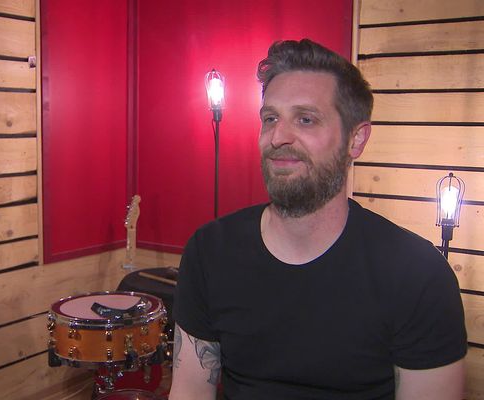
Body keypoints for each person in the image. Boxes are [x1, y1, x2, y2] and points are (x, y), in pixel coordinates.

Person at [169, 39, 467, 400]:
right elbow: (189, 392)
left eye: (306, 119)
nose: (279, 136)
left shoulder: (418, 275)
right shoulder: (209, 251)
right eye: (270, 118)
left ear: (356, 140)